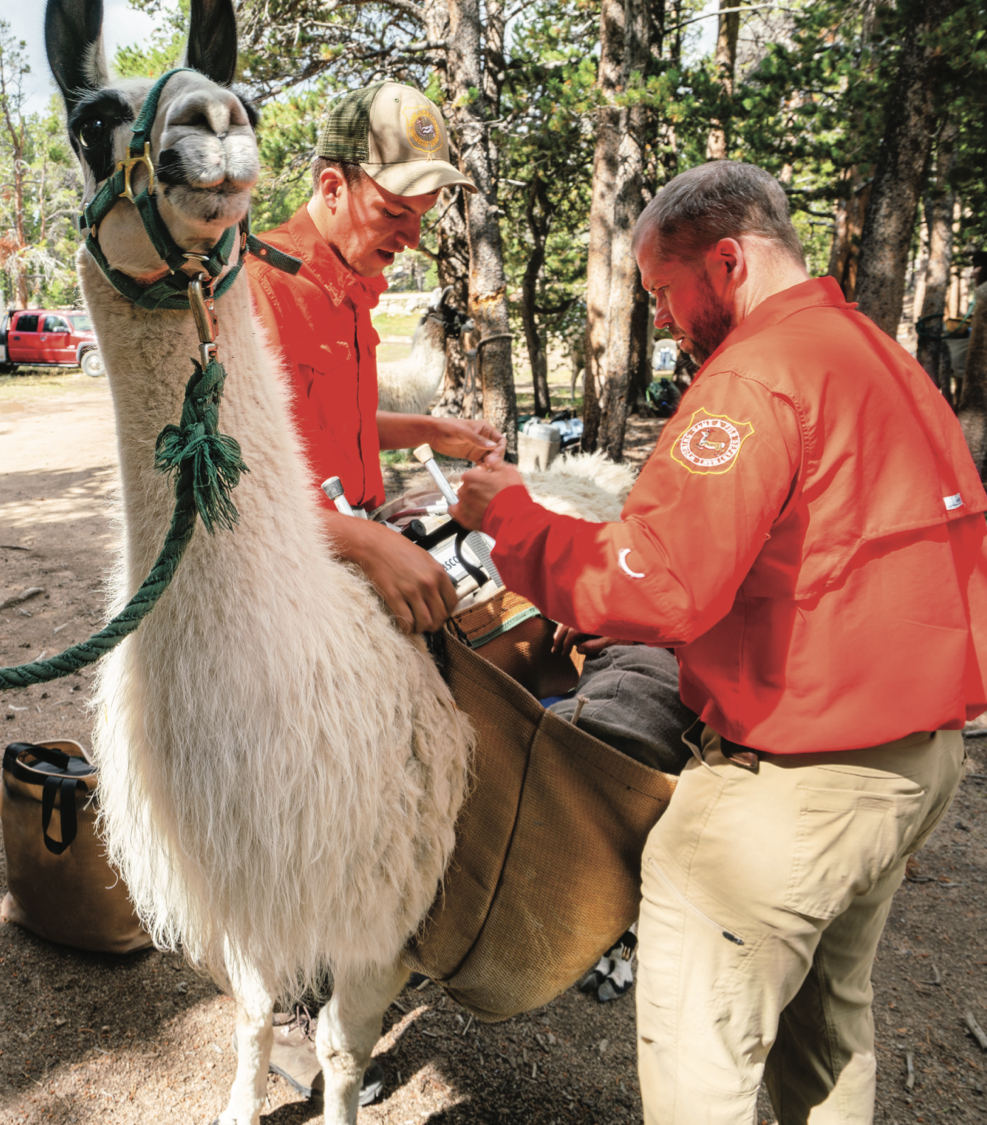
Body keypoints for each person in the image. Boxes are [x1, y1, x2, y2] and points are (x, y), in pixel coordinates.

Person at [451, 160, 986, 1124]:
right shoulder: (874, 353)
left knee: (701, 1045)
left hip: (798, 783)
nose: (660, 318)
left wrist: (512, 519)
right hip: (916, 759)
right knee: (827, 1025)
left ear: (728, 263)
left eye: (664, 290)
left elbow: (660, 583)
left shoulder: (755, 375)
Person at [247, 82, 504, 634]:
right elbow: (234, 489)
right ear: (332, 188)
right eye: (393, 212)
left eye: (421, 215)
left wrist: (436, 431)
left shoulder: (350, 281)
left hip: (356, 537)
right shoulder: (257, 289)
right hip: (292, 573)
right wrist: (366, 542)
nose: (412, 237)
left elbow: (330, 426)